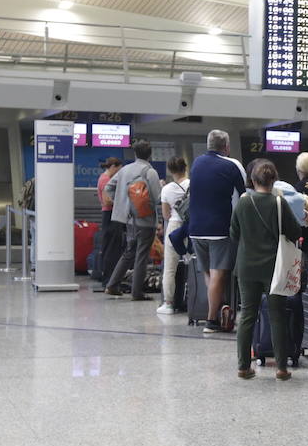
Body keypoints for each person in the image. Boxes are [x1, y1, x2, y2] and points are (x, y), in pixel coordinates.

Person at [230, 158, 301, 381]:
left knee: (247, 315)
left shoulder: (242, 203)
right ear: (274, 180)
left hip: (247, 266)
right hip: (274, 268)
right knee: (277, 316)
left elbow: (233, 233)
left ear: (252, 180)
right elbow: (295, 231)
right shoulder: (279, 204)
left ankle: (243, 366)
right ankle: (281, 368)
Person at [189, 129, 248, 333]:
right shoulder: (232, 165)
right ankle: (212, 320)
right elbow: (246, 196)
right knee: (218, 274)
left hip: (196, 228)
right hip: (220, 228)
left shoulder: (196, 163)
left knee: (208, 273)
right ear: (227, 147)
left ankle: (219, 306)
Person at [103, 140, 162, 301]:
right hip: (146, 220)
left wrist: (121, 202)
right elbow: (158, 198)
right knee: (142, 255)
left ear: (135, 154)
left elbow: (108, 187)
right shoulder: (150, 172)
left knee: (129, 252)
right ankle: (137, 292)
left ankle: (112, 285)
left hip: (129, 220)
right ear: (150, 155)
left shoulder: (124, 170)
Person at [157, 156, 189, 314]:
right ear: (185, 167)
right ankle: (194, 298)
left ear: (170, 170)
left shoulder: (166, 189)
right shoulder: (193, 184)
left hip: (174, 228)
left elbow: (165, 214)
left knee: (170, 268)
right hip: (192, 228)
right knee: (195, 265)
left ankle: (168, 304)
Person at [96, 156, 125, 282]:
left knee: (111, 246)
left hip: (110, 215)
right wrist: (120, 203)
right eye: (118, 170)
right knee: (111, 248)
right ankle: (109, 278)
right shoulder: (106, 180)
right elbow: (107, 201)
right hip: (110, 215)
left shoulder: (105, 178)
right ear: (113, 167)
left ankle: (109, 277)